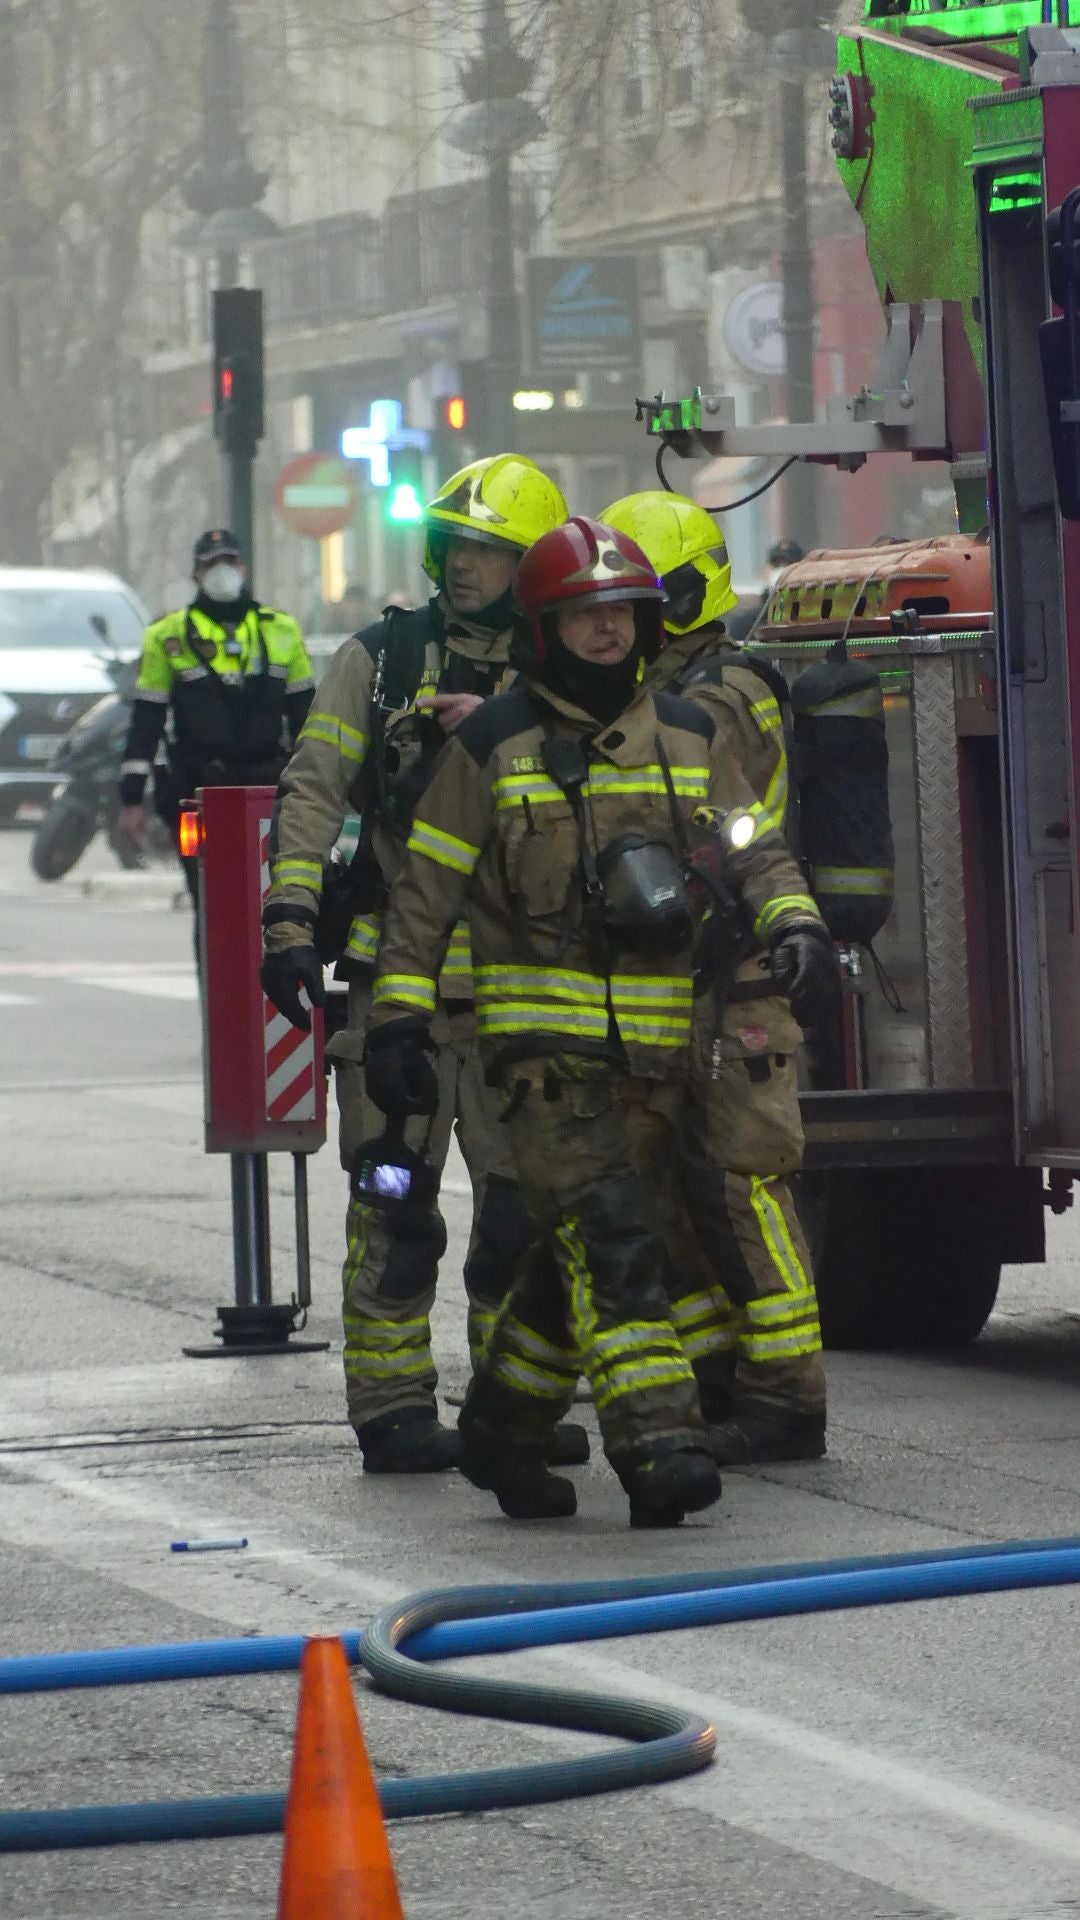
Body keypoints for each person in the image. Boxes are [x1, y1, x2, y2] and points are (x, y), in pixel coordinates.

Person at [362, 517, 834, 1525]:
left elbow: (752, 844)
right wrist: (398, 1022)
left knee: (558, 1256)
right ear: (547, 627)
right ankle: (656, 1442)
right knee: (618, 1242)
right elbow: (422, 899)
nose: (607, 630)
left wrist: (796, 922)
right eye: (585, 615)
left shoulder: (693, 735)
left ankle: (501, 1429)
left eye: (621, 611)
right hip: (542, 1066)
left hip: (661, 1055)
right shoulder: (491, 747)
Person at [260, 455, 576, 1475]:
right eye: (455, 545)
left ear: (530, 566)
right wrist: (290, 922)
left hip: (529, 999)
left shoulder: (568, 676)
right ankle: (394, 1408)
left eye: (488, 549)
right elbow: (312, 791)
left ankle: (508, 1406)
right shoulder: (383, 660)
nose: (465, 564)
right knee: (394, 1203)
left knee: (523, 1215)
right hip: (399, 1001)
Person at [602, 490, 828, 1464]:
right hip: (677, 986)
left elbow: (719, 826)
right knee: (665, 1196)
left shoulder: (725, 696)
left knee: (741, 1190)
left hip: (738, 985)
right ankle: (720, 1375)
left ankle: (787, 1395)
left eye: (640, 602)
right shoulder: (665, 694)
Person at [118, 530, 314, 905]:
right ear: (196, 573)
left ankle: (268, 966)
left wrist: (317, 787)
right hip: (197, 790)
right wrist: (131, 799)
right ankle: (213, 966)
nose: (221, 571)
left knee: (271, 899)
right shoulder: (167, 636)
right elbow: (147, 719)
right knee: (210, 899)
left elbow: (307, 716)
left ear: (243, 568)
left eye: (228, 562)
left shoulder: (280, 630)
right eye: (211, 564)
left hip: (267, 788)